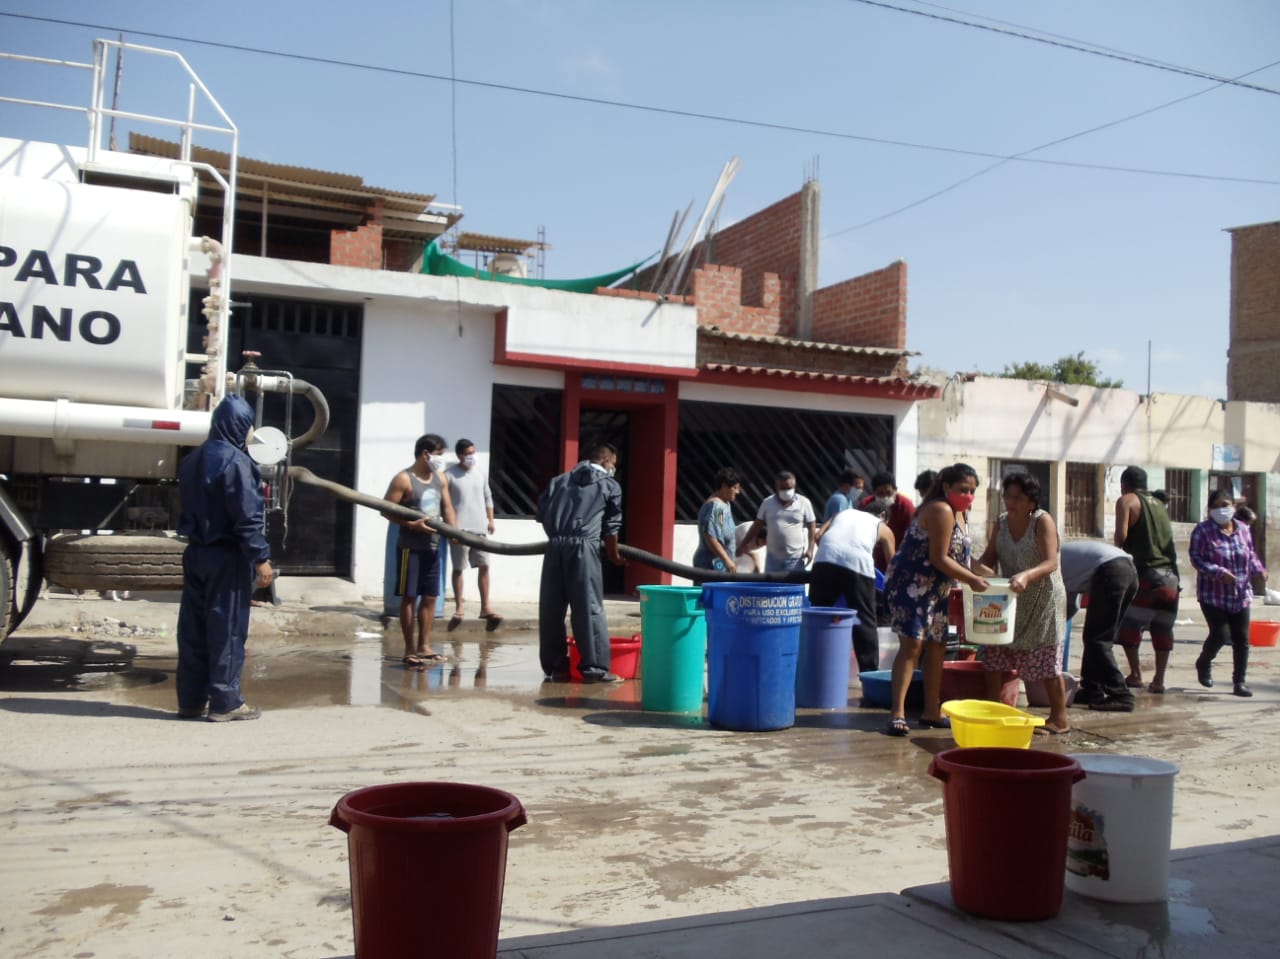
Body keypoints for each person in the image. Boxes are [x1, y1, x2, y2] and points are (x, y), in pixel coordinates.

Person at [175, 395, 274, 722]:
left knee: (193, 630)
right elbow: (246, 517)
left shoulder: (191, 460)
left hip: (195, 554)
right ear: (241, 425)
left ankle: (190, 701)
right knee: (227, 628)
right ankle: (226, 702)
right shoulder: (238, 463)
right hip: (227, 557)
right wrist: (261, 558)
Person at [882, 463, 989, 735]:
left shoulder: (961, 514)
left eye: (973, 491)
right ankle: (898, 713)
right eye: (963, 489)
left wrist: (989, 574)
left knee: (938, 645)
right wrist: (971, 580)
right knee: (912, 645)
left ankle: (932, 711)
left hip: (937, 587)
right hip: (911, 583)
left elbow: (962, 556)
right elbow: (939, 557)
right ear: (946, 487)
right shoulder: (941, 509)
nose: (968, 495)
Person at [972, 472, 1070, 734]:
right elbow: (989, 558)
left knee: (1046, 659)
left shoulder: (1042, 521)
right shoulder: (1001, 523)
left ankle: (1059, 718)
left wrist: (1027, 575)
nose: (1010, 502)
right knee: (994, 653)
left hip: (1043, 599)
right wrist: (973, 569)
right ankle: (994, 710)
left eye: (1017, 498)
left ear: (1031, 502)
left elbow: (1051, 562)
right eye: (1007, 496)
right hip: (1010, 599)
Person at [537, 443, 626, 683]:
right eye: (614, 464)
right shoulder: (609, 485)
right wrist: (614, 555)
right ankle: (594, 668)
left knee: (551, 608)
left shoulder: (559, 481)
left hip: (555, 546)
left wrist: (559, 536)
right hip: (584, 546)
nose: (614, 468)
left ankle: (556, 667)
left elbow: (542, 514)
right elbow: (611, 528)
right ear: (607, 462)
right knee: (588, 607)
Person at [382, 434, 457, 670]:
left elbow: (447, 507)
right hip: (410, 547)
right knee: (409, 597)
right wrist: (410, 524)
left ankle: (425, 646)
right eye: (439, 455)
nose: (441, 460)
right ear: (425, 454)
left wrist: (454, 532)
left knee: (431, 596)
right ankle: (409, 649)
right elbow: (386, 510)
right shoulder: (403, 479)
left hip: (434, 547)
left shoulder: (440, 478)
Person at [1191, 488, 1268, 698]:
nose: (1221, 510)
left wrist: (1259, 570)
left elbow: (1250, 554)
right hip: (1213, 594)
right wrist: (1219, 572)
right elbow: (1196, 559)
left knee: (1241, 639)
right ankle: (1204, 662)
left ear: (1233, 506)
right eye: (1215, 506)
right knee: (1220, 634)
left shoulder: (1243, 529)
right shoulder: (1202, 531)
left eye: (1225, 505)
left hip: (1241, 594)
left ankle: (1239, 682)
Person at [1114, 465, 1180, 693]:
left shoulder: (1127, 501)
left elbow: (1120, 538)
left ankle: (1135, 674)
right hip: (1171, 576)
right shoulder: (1160, 505)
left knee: (1128, 628)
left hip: (1146, 575)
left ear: (1124, 484)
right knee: (1162, 630)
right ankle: (1159, 680)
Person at [810, 506, 895, 672]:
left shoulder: (842, 513)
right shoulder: (883, 527)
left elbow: (818, 536)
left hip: (825, 556)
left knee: (817, 615)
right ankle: (869, 674)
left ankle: (812, 665)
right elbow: (893, 564)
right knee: (864, 619)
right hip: (858, 562)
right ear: (883, 516)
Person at [1059, 541, 1138, 712]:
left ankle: (1121, 695)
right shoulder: (1065, 560)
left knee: (1097, 639)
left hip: (1111, 570)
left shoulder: (1047, 563)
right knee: (1096, 637)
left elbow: (1065, 607)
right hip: (1128, 569)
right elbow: (1071, 605)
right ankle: (1091, 689)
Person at [446, 438, 502, 631]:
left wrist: (491, 520)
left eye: (473, 452)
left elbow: (488, 497)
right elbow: (444, 504)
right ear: (459, 455)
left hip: (480, 530)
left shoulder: (480, 474)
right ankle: (459, 606)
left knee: (484, 566)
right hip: (459, 530)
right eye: (468, 453)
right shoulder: (449, 475)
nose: (471, 457)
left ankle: (485, 607)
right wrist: (449, 528)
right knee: (458, 569)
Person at [739, 471, 816, 572]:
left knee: (794, 587)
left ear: (794, 486)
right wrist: (743, 544)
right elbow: (757, 525)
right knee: (772, 587)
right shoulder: (767, 503)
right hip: (773, 560)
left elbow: (812, 525)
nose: (786, 491)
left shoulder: (804, 502)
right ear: (776, 487)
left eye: (789, 488)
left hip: (795, 560)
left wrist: (810, 549)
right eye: (783, 488)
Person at [692, 468, 742, 573]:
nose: (738, 492)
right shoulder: (716, 506)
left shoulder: (724, 505)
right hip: (710, 567)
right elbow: (711, 536)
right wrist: (727, 560)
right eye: (735, 488)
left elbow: (719, 529)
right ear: (724, 486)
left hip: (720, 566)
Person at [859, 471, 916, 550]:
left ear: (895, 490)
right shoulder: (866, 504)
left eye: (889, 493)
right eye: (880, 493)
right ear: (873, 492)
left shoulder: (906, 507)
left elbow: (912, 536)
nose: (885, 497)